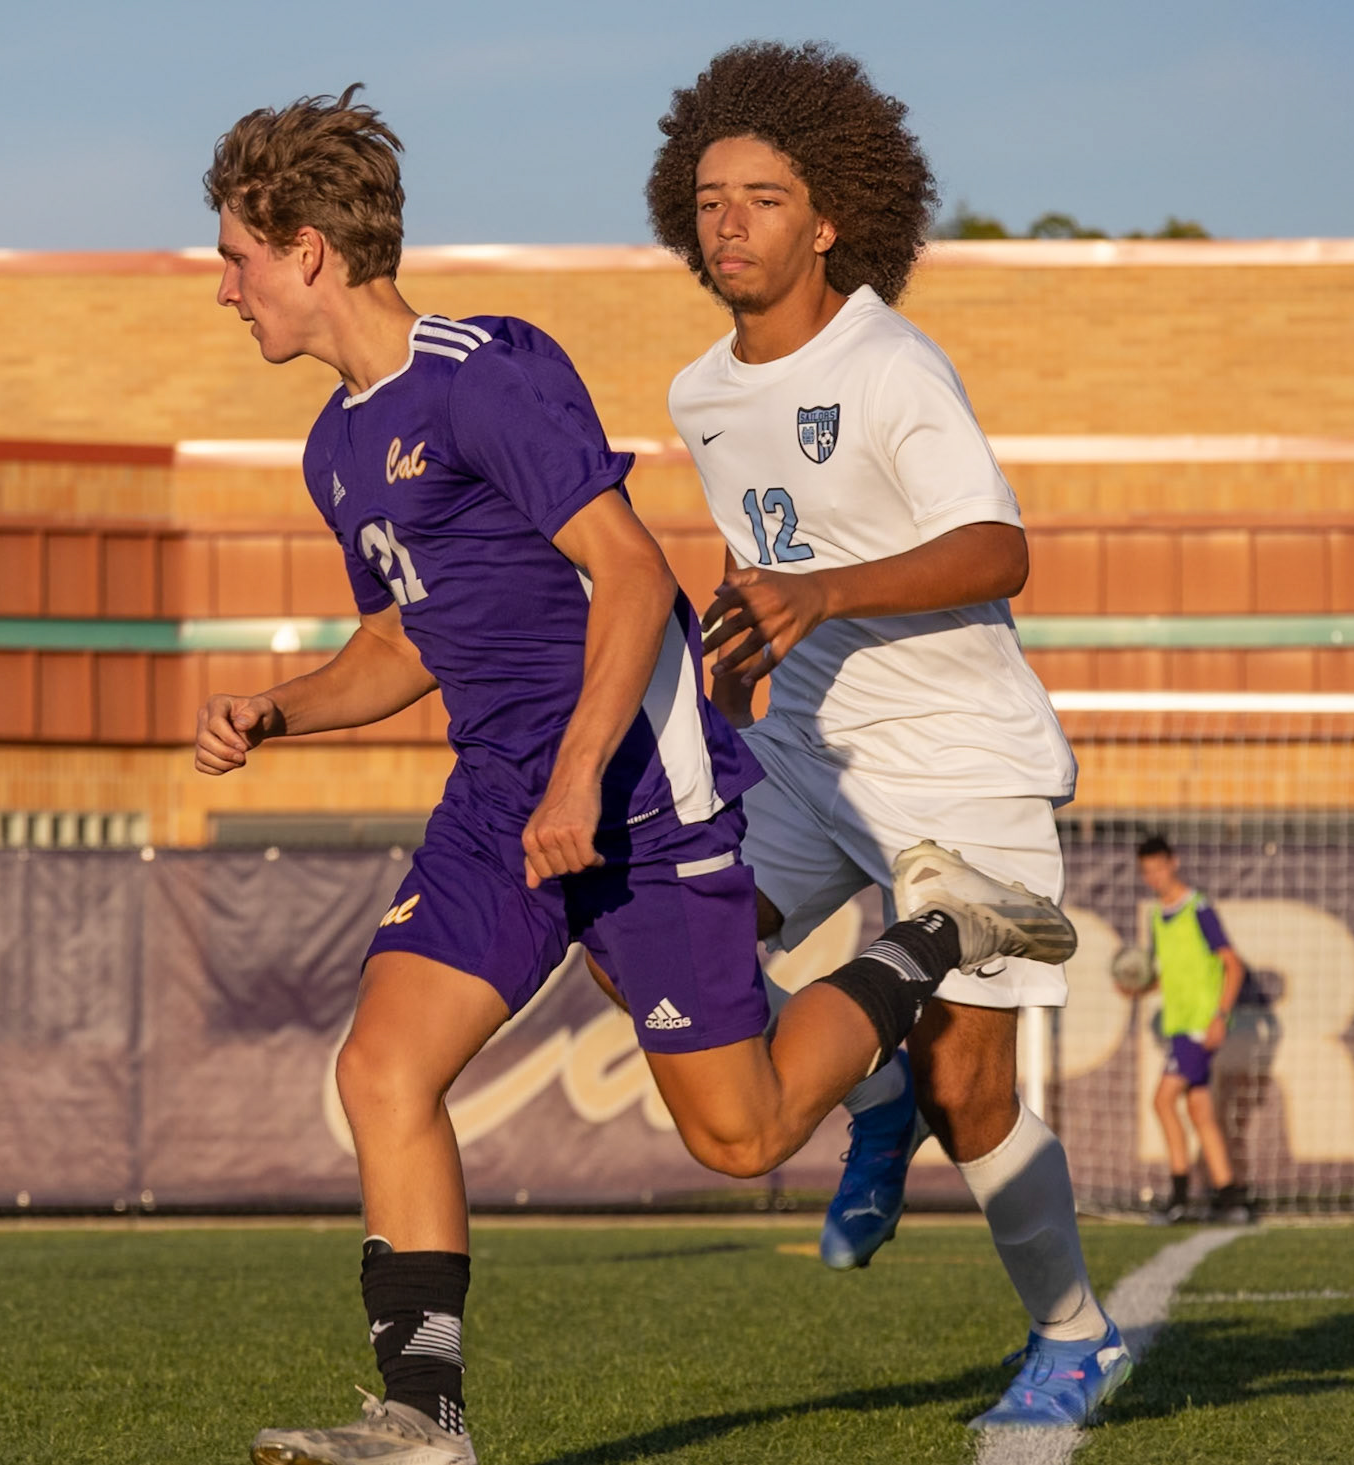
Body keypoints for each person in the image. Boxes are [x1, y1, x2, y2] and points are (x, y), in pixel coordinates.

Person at [194, 85, 1076, 1465]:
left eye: (237, 257)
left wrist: (580, 778)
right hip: (503, 794)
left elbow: (627, 574)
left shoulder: (489, 371)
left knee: (742, 1134)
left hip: (637, 784)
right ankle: (424, 1424)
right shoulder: (337, 447)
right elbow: (407, 636)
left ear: (309, 248)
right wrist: (283, 710)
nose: (225, 289)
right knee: (382, 1068)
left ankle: (941, 929)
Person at [644, 40, 1129, 1430]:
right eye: (711, 195)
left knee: (968, 1080)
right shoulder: (698, 394)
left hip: (957, 764)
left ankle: (1074, 1335)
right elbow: (763, 564)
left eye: (764, 197)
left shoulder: (892, 364)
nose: (728, 220)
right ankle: (869, 1091)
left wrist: (823, 591)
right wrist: (740, 664)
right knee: (663, 954)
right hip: (804, 753)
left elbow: (998, 549)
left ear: (830, 217)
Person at [1136, 834, 1251, 1222]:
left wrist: (1219, 1015)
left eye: (1158, 868)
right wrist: (1136, 986)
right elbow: (1164, 976)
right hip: (1179, 1024)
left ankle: (1181, 1198)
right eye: (1146, 871)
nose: (1154, 877)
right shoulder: (1156, 916)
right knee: (1199, 1109)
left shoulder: (1197, 907)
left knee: (1162, 1100)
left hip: (1201, 1025)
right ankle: (1229, 1194)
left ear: (1174, 863)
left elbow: (1233, 964)